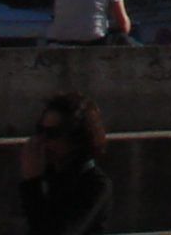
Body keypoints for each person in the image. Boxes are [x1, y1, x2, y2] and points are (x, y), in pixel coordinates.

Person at [18, 90, 113, 235]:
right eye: (40, 131)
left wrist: (32, 184)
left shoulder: (95, 185)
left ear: (76, 139)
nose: (43, 141)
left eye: (53, 134)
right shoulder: (49, 174)